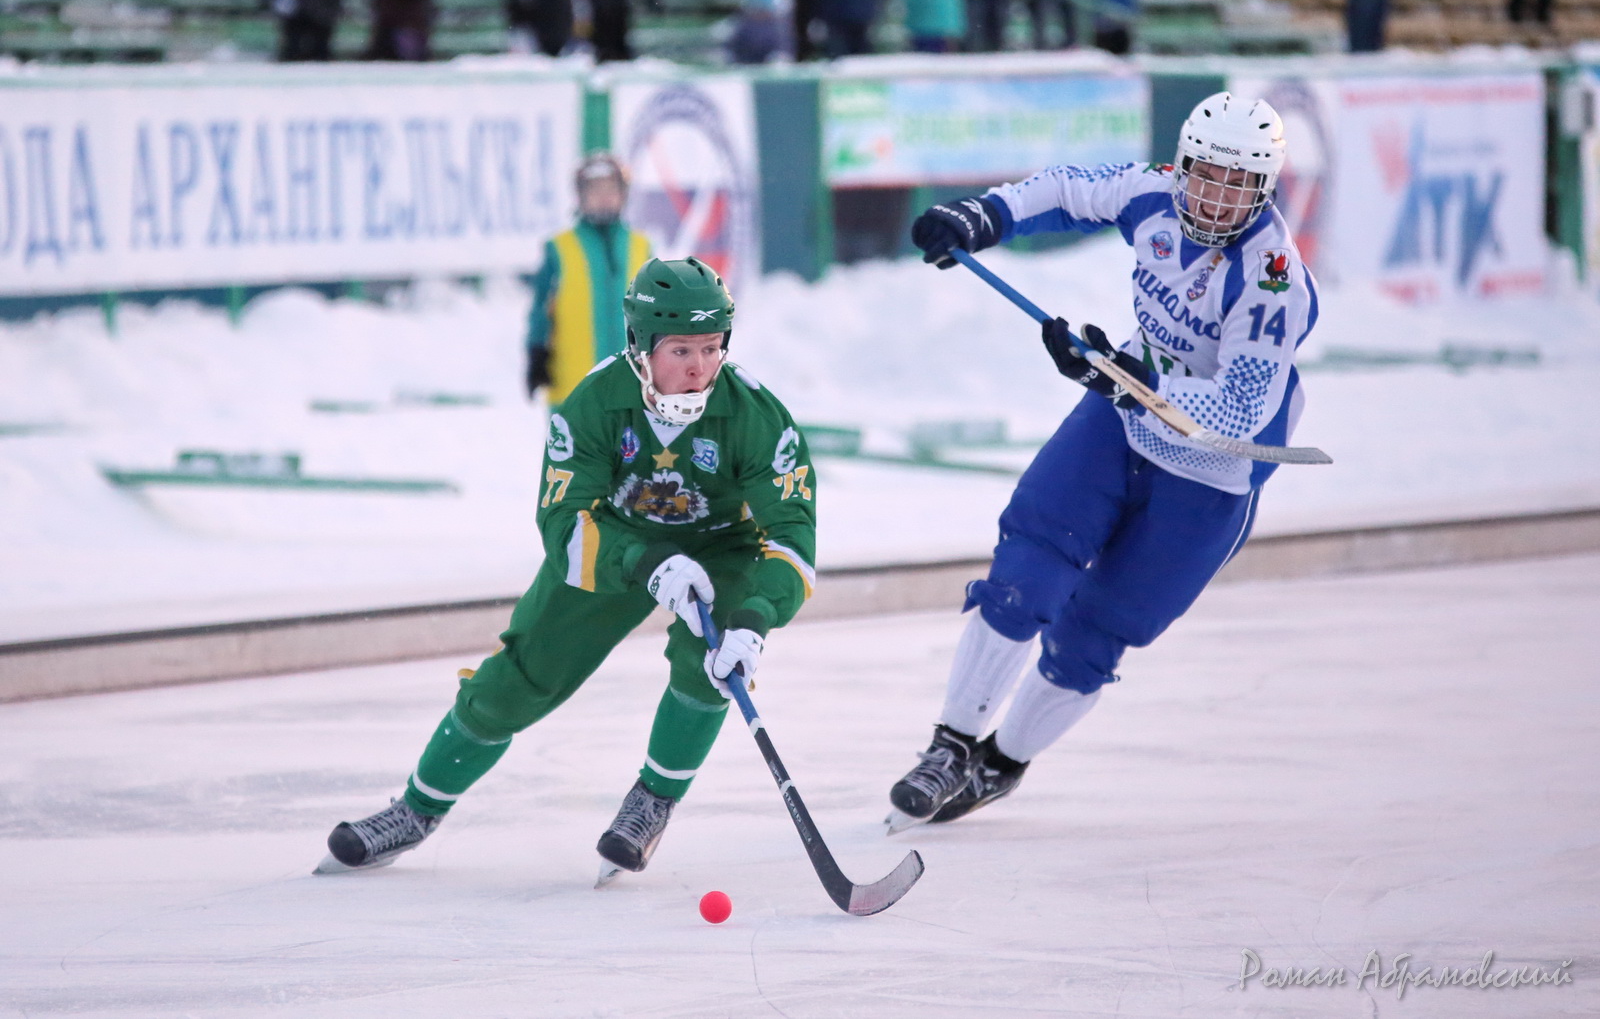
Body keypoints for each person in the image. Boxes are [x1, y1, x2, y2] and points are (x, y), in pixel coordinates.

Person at [887, 93, 1318, 830]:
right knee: (1027, 567)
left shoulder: (1271, 279)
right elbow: (1067, 189)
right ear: (1182, 165)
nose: (1215, 199)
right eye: (1205, 176)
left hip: (1211, 475)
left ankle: (1001, 764)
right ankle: (951, 744)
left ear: (1265, 189)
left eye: (1238, 185)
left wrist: (1135, 384)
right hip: (1120, 419)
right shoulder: (1154, 192)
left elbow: (1240, 412)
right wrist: (986, 215)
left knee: (1095, 636)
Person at [320, 257, 818, 880]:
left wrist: (755, 616)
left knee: (707, 662)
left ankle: (653, 801)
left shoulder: (756, 416)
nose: (699, 368)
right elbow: (562, 522)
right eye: (680, 350)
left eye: (712, 348)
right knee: (517, 680)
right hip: (619, 542)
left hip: (723, 548)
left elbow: (793, 535)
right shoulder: (595, 404)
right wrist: (642, 561)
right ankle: (416, 810)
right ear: (640, 346)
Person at [526, 153, 654, 406]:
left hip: (632, 387)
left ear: (623, 195)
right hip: (574, 386)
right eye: (595, 191)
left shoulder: (641, 247)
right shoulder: (559, 248)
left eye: (611, 190)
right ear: (580, 196)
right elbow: (541, 308)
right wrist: (536, 353)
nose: (604, 198)